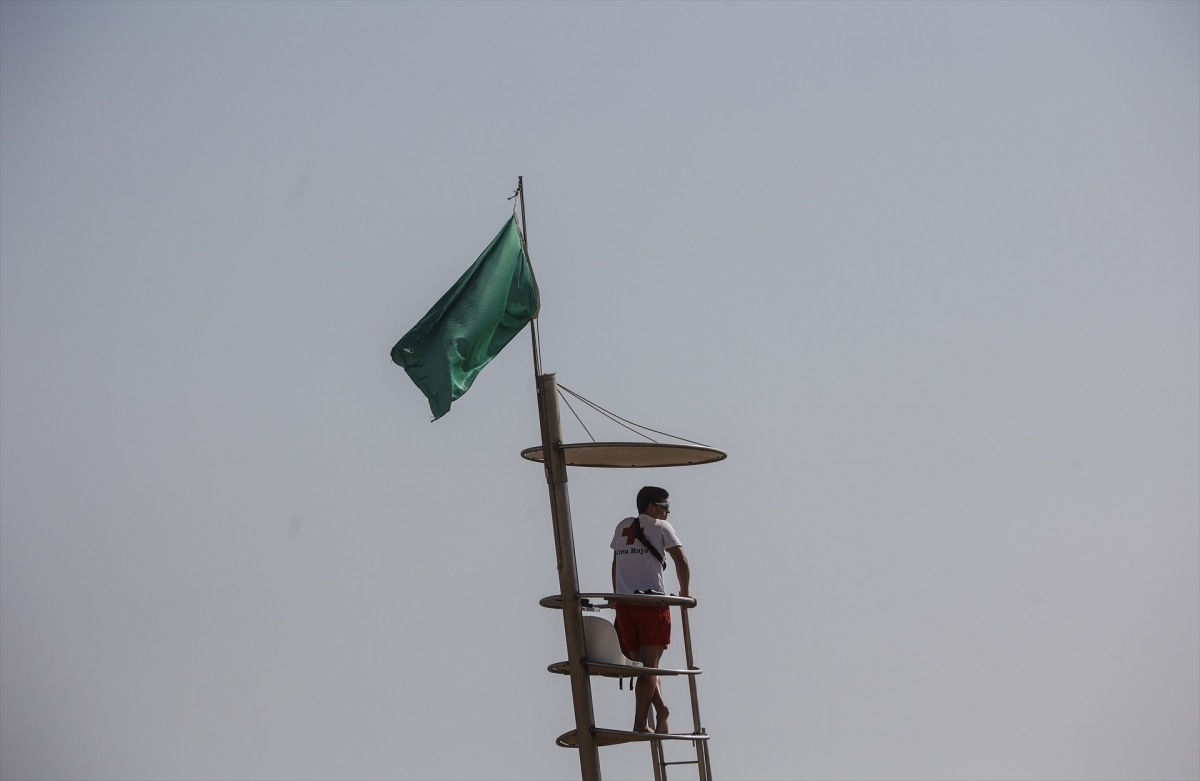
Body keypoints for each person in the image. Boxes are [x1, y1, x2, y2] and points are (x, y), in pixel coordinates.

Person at [610, 485, 692, 734]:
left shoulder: (623, 525)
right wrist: (685, 593)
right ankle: (652, 715)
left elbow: (615, 563)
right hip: (651, 604)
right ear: (651, 507)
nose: (668, 511)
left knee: (642, 667)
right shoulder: (661, 527)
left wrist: (615, 595)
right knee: (647, 668)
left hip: (625, 604)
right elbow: (681, 560)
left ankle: (646, 719)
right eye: (665, 506)